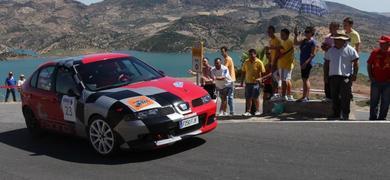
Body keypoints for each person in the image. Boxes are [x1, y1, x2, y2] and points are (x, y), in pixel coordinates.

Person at [324, 34, 359, 120]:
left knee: (345, 96)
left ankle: (345, 114)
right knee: (334, 96)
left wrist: (354, 74)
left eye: (338, 40)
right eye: (335, 39)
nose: (336, 41)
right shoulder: (330, 50)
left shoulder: (351, 50)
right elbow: (326, 64)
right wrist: (325, 76)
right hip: (333, 77)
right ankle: (336, 113)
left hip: (345, 77)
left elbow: (356, 63)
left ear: (344, 41)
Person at [367, 36, 390, 120]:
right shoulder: (375, 52)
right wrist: (371, 77)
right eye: (380, 43)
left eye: (383, 43)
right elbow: (369, 64)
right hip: (376, 82)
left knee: (386, 101)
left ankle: (382, 118)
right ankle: (372, 117)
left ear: (388, 44)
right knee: (374, 101)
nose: (381, 44)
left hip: (388, 83)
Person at [294, 26, 317, 102]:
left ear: (311, 33)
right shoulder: (304, 40)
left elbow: (313, 54)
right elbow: (295, 43)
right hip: (302, 62)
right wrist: (296, 35)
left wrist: (305, 63)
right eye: (305, 32)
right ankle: (305, 96)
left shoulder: (312, 42)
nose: (306, 33)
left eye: (308, 32)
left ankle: (305, 97)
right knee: (305, 79)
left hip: (307, 63)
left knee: (305, 79)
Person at [241, 49, 266, 116]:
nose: (250, 56)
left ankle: (257, 111)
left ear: (255, 54)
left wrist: (261, 81)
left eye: (251, 54)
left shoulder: (259, 62)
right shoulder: (246, 62)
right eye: (249, 55)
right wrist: (241, 82)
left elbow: (263, 73)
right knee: (248, 98)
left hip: (256, 83)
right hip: (248, 83)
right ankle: (248, 111)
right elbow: (243, 72)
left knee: (255, 98)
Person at [321, 22, 340, 101]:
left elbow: (339, 48)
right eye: (329, 27)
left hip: (336, 62)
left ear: (336, 28)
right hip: (328, 60)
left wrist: (330, 47)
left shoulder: (340, 38)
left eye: (331, 27)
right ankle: (328, 96)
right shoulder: (327, 37)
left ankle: (336, 96)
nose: (330, 29)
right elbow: (325, 48)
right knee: (327, 78)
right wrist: (324, 47)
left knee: (335, 79)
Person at [278, 28, 295, 101]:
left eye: (283, 35)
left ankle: (285, 95)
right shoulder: (283, 42)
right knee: (285, 80)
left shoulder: (289, 42)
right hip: (282, 64)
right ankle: (287, 95)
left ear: (287, 35)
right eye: (281, 34)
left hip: (287, 64)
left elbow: (282, 53)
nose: (281, 36)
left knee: (286, 80)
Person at [266, 25, 282, 100]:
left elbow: (279, 53)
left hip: (277, 63)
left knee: (276, 79)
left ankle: (276, 94)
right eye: (268, 32)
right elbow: (271, 52)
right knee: (273, 79)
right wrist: (270, 61)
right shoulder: (270, 41)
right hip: (272, 62)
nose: (269, 33)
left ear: (273, 32)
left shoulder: (277, 41)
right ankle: (273, 94)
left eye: (270, 31)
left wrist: (274, 62)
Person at [221, 46, 236, 115]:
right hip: (228, 80)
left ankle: (231, 111)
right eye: (221, 52)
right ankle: (226, 111)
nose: (222, 53)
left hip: (230, 80)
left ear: (226, 52)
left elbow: (224, 69)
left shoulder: (228, 59)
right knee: (226, 97)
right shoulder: (226, 59)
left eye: (223, 51)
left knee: (229, 97)